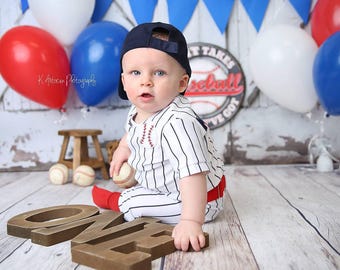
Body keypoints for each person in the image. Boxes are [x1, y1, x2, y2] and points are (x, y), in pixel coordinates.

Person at [92, 22, 225, 252]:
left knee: (133, 202)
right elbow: (132, 132)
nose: (146, 81)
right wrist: (124, 147)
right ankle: (143, 194)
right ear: (124, 81)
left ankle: (116, 202)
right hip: (167, 188)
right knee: (141, 187)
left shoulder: (178, 123)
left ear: (181, 83)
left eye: (159, 72)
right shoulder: (138, 110)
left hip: (199, 199)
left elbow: (192, 174)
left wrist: (191, 222)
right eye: (136, 73)